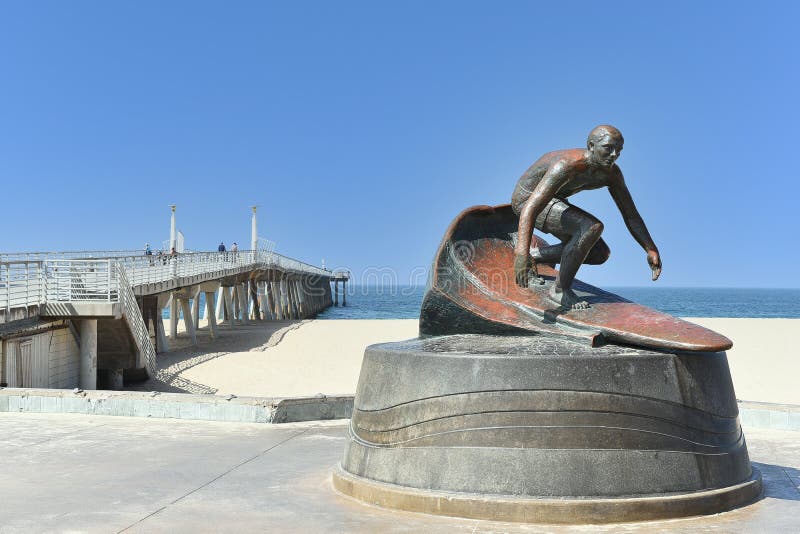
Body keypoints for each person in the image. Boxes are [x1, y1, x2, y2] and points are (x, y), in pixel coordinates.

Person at [512, 125, 662, 310]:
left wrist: (650, 248)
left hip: (553, 200)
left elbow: (631, 215)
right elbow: (531, 207)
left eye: (619, 150)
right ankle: (560, 291)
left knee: (598, 253)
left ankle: (537, 256)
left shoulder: (612, 174)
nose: (614, 154)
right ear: (591, 146)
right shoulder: (568, 165)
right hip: (527, 201)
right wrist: (521, 253)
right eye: (608, 148)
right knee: (591, 227)